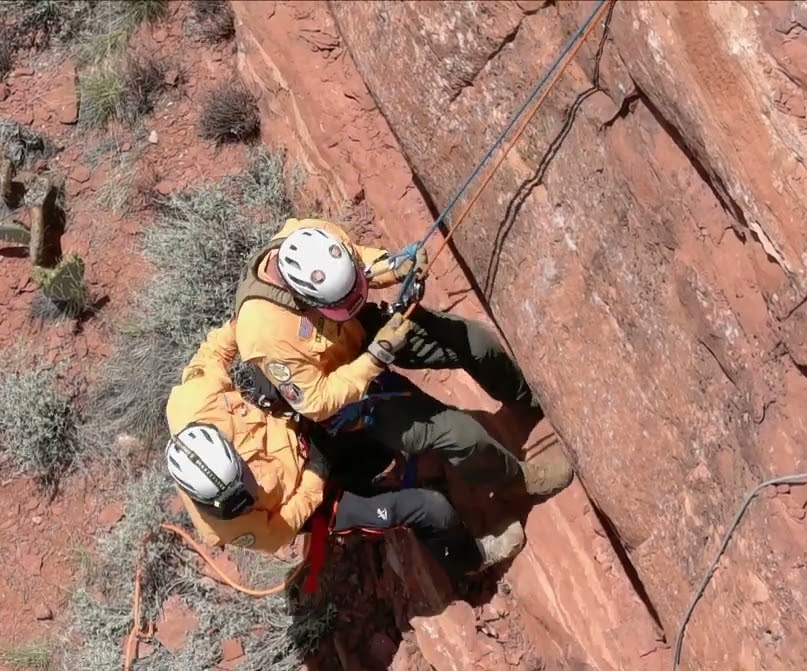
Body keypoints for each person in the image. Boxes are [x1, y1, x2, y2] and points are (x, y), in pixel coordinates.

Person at [230, 217, 574, 503]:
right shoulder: (265, 333)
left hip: (359, 328)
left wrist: (395, 267)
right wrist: (376, 357)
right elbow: (317, 401)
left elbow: (361, 263)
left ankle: (524, 400)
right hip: (346, 395)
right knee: (459, 433)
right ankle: (515, 481)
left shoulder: (314, 236)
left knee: (474, 341)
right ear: (302, 296)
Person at [163, 320, 526, 580]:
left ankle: (374, 463)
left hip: (299, 436)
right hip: (310, 498)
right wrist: (316, 474)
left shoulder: (194, 401)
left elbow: (216, 349)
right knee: (430, 507)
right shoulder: (228, 526)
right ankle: (470, 559)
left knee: (331, 399)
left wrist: (251, 324)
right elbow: (283, 528)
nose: (250, 482)